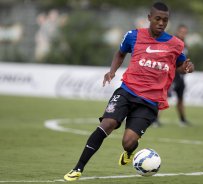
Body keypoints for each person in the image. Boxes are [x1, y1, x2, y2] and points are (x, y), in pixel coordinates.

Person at [64, 2, 194, 181]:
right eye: (157, 19)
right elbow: (120, 53)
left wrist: (187, 68)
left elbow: (180, 65)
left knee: (128, 142)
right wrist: (112, 71)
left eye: (165, 20)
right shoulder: (133, 36)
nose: (161, 23)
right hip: (127, 91)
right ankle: (78, 168)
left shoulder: (175, 44)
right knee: (107, 124)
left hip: (150, 102)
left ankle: (130, 152)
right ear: (149, 18)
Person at [153, 24, 192, 127]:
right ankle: (155, 119)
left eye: (185, 32)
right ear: (177, 32)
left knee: (180, 98)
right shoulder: (172, 42)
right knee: (164, 97)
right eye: (181, 32)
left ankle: (182, 120)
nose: (183, 34)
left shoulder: (185, 45)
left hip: (181, 76)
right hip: (171, 75)